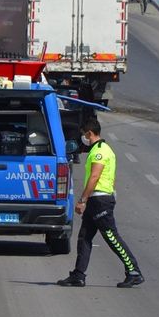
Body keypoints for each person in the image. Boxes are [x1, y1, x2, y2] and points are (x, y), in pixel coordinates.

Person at [57, 119, 144, 288]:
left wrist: (82, 200)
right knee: (84, 237)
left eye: (83, 134)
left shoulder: (100, 152)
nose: (83, 138)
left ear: (89, 133)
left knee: (111, 236)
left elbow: (95, 177)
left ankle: (134, 271)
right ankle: (78, 274)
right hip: (97, 200)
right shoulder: (99, 150)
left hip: (100, 200)